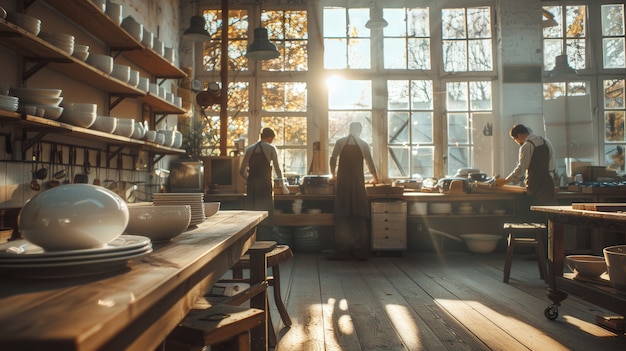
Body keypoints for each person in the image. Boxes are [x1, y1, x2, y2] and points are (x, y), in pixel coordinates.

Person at [328, 122, 379, 261]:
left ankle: (342, 251)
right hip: (357, 183)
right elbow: (370, 162)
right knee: (359, 215)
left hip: (343, 183)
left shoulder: (340, 142)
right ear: (360, 131)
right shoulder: (363, 144)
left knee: (342, 216)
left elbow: (333, 160)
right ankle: (359, 251)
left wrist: (333, 175)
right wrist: (375, 179)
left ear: (349, 129)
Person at [496, 124, 557, 218]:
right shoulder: (546, 141)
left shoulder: (526, 146)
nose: (517, 142)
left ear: (519, 136)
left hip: (535, 186)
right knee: (549, 216)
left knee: (536, 217)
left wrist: (506, 180)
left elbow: (521, 169)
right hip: (548, 185)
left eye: (515, 140)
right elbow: (552, 165)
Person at [239, 127, 289, 230]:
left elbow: (241, 171)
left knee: (252, 216)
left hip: (252, 186)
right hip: (265, 185)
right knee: (266, 215)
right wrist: (282, 185)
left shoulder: (249, 149)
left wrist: (249, 179)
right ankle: (266, 238)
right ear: (270, 137)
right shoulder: (271, 148)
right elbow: (277, 168)